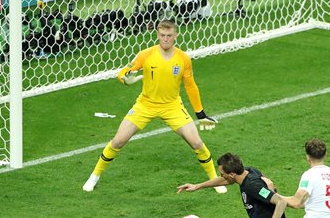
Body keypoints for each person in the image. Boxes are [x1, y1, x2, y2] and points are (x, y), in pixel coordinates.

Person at [83, 19, 225, 194]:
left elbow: (190, 86)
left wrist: (200, 113)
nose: (165, 39)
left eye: (169, 36)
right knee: (119, 140)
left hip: (172, 106)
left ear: (176, 36)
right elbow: (122, 73)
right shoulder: (146, 55)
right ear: (157, 35)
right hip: (146, 104)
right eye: (162, 35)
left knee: (196, 143)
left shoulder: (183, 59)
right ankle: (94, 177)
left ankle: (214, 180)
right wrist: (126, 79)